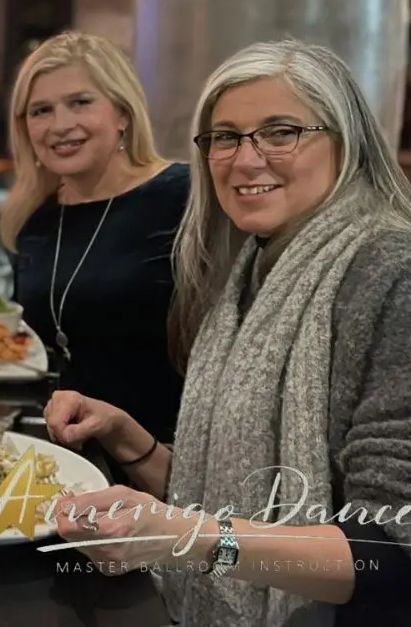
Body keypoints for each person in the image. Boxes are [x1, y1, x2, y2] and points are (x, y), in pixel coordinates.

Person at [47, 40, 411, 626]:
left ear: (346, 142)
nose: (246, 160)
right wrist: (129, 440)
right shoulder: (252, 265)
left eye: (281, 131)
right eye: (225, 136)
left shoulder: (391, 270)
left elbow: (391, 553)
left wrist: (180, 538)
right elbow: (231, 505)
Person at [1, 33, 187, 445]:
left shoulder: (183, 196)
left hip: (165, 457)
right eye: (41, 110)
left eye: (81, 102)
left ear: (122, 113)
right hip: (67, 450)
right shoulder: (35, 217)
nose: (61, 125)